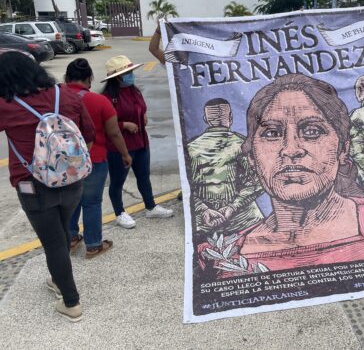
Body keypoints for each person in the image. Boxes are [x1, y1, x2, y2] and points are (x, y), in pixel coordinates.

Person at [197, 74, 364, 274]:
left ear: (343, 149)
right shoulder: (219, 255)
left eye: (312, 131)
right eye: (272, 133)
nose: (291, 150)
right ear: (252, 156)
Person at [0, 52, 95, 322]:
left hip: (33, 185)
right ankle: (58, 278)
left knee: (53, 242)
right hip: (72, 180)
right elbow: (89, 134)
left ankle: (71, 302)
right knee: (62, 233)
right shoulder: (66, 95)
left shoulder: (6, 105)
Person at [65, 59, 132, 258]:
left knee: (71, 200)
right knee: (91, 202)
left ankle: (71, 237)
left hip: (65, 161)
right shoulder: (99, 101)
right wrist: (125, 154)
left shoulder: (56, 99)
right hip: (93, 158)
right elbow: (114, 133)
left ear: (66, 78)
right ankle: (93, 245)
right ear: (90, 78)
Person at [102, 55, 174, 229]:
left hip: (141, 141)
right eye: (127, 73)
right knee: (117, 181)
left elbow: (141, 108)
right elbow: (104, 124)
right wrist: (124, 125)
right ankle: (119, 212)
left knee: (143, 176)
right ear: (117, 77)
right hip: (120, 146)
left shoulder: (134, 90)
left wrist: (143, 115)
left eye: (131, 72)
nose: (131, 75)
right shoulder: (107, 97)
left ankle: (151, 206)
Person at [187, 98, 264, 234]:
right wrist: (233, 206)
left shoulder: (190, 148)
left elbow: (187, 185)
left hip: (205, 225)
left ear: (206, 119)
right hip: (246, 222)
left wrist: (203, 208)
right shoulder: (242, 145)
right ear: (231, 118)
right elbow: (260, 181)